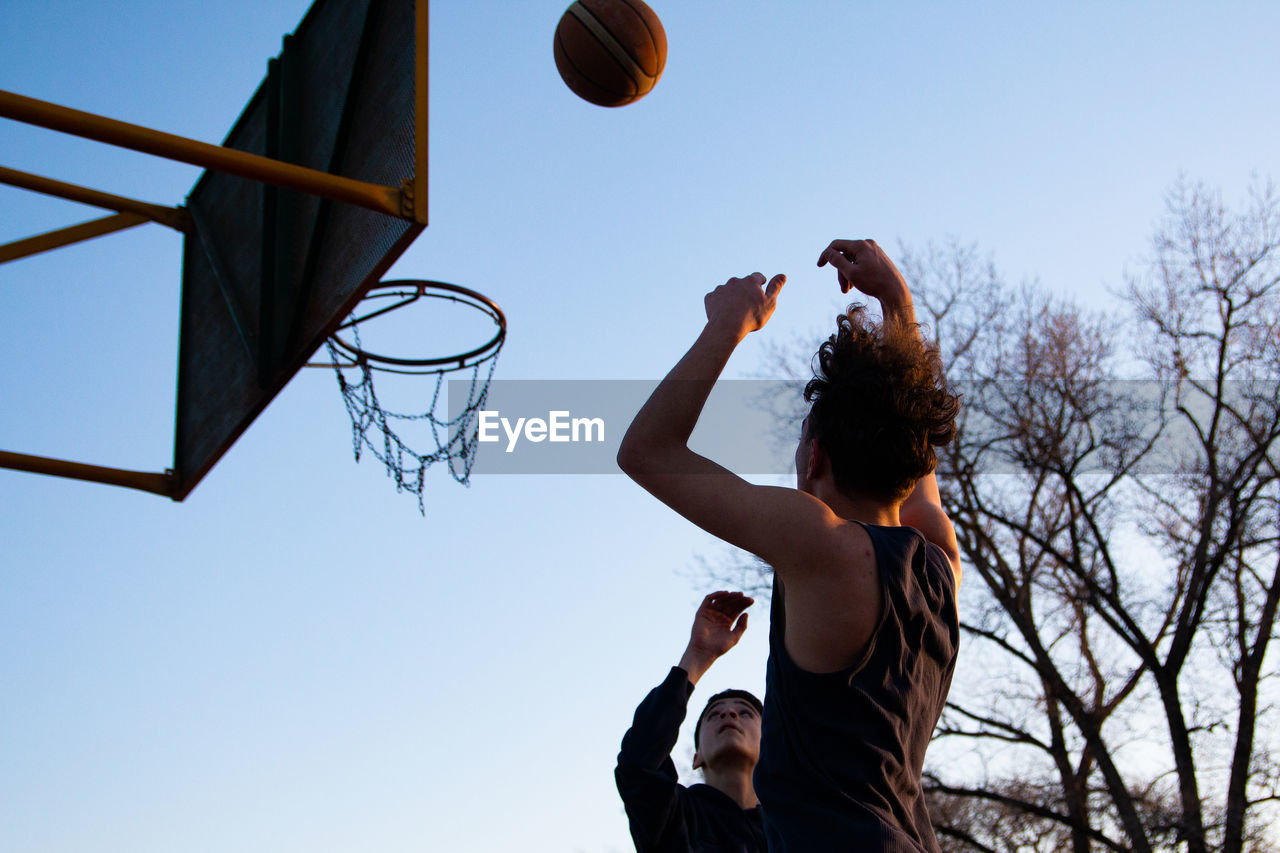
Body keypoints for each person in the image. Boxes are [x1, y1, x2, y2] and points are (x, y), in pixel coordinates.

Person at [616, 239, 962, 852]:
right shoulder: (939, 562)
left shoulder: (822, 544)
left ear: (814, 457)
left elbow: (647, 451)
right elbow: (915, 454)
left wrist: (729, 324)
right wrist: (896, 301)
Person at [615, 591, 768, 853]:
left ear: (770, 747)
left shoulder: (795, 827)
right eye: (714, 714)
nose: (729, 713)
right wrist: (697, 656)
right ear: (697, 757)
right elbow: (639, 762)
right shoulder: (675, 815)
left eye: (745, 713)